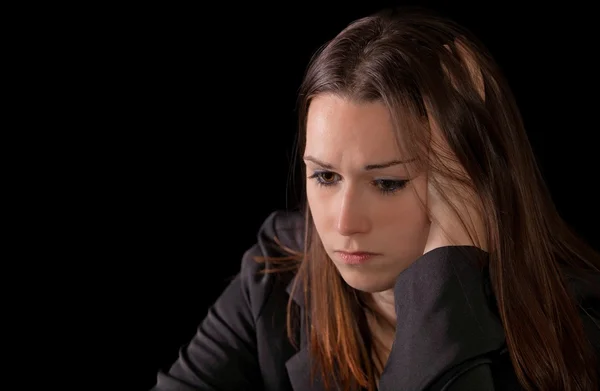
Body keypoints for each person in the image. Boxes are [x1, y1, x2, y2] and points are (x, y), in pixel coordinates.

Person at [151, 6, 599, 391]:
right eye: (325, 176)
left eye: (387, 183)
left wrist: (444, 271)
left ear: (469, 181)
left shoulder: (580, 320)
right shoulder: (276, 272)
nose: (345, 223)